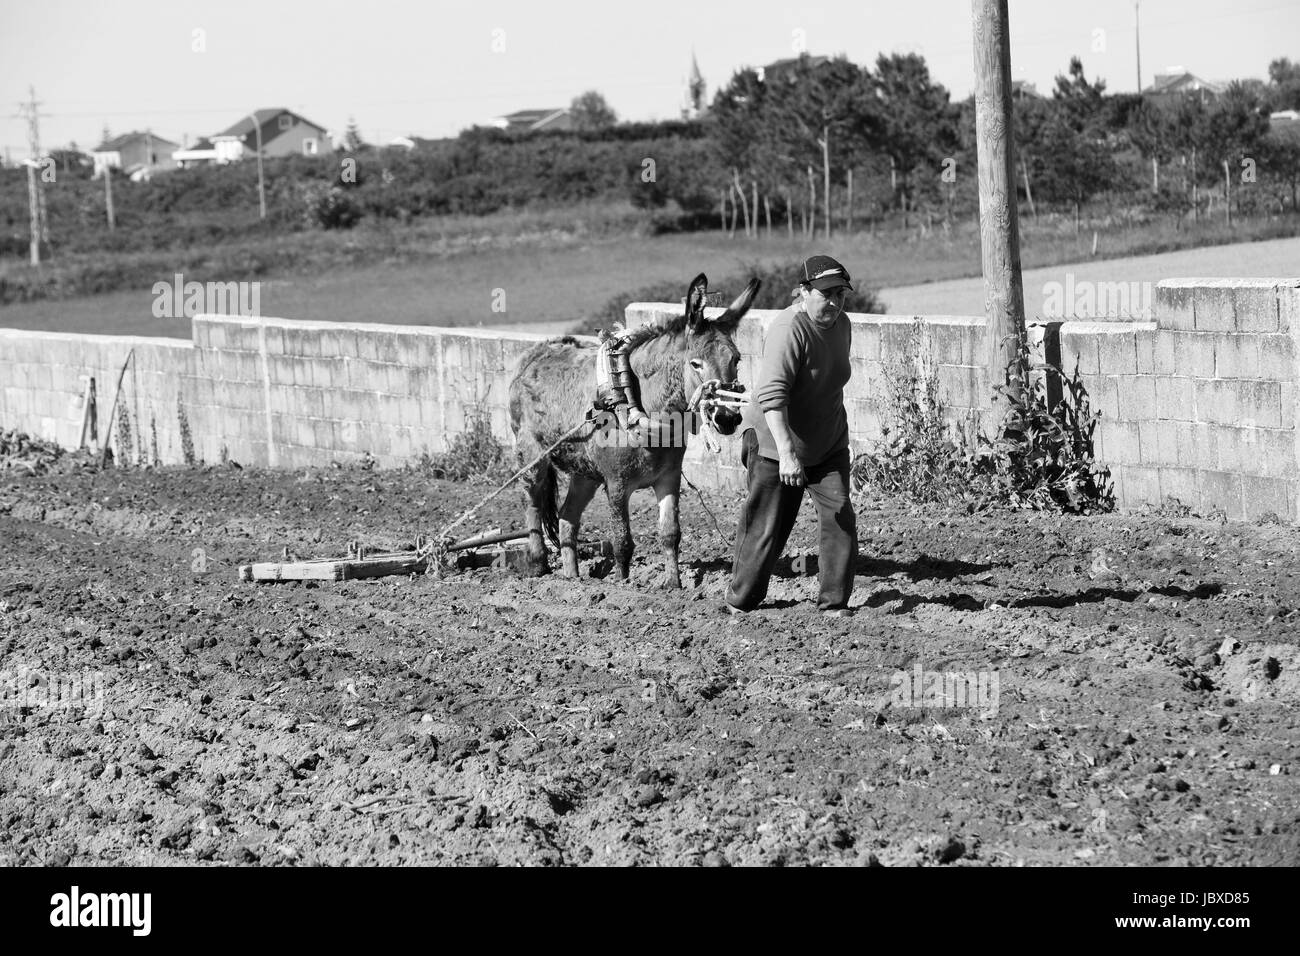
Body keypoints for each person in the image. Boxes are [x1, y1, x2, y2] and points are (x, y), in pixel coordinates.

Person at [725, 254, 858, 616]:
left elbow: (829, 384)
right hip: (774, 441)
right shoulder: (789, 328)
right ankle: (741, 601)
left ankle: (833, 604)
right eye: (825, 293)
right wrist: (787, 454)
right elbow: (772, 396)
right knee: (769, 526)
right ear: (803, 292)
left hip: (827, 441)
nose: (833, 302)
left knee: (840, 514)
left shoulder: (842, 325)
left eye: (840, 294)